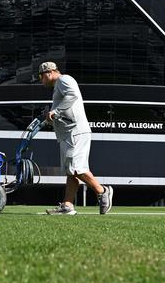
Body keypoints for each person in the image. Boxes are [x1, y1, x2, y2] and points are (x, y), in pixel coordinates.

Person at [38, 61, 113, 215]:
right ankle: (67, 206)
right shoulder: (57, 87)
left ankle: (102, 191)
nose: (41, 80)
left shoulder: (64, 80)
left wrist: (56, 112)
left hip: (75, 132)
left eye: (41, 77)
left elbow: (73, 95)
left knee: (77, 168)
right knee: (70, 171)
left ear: (49, 72)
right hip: (67, 134)